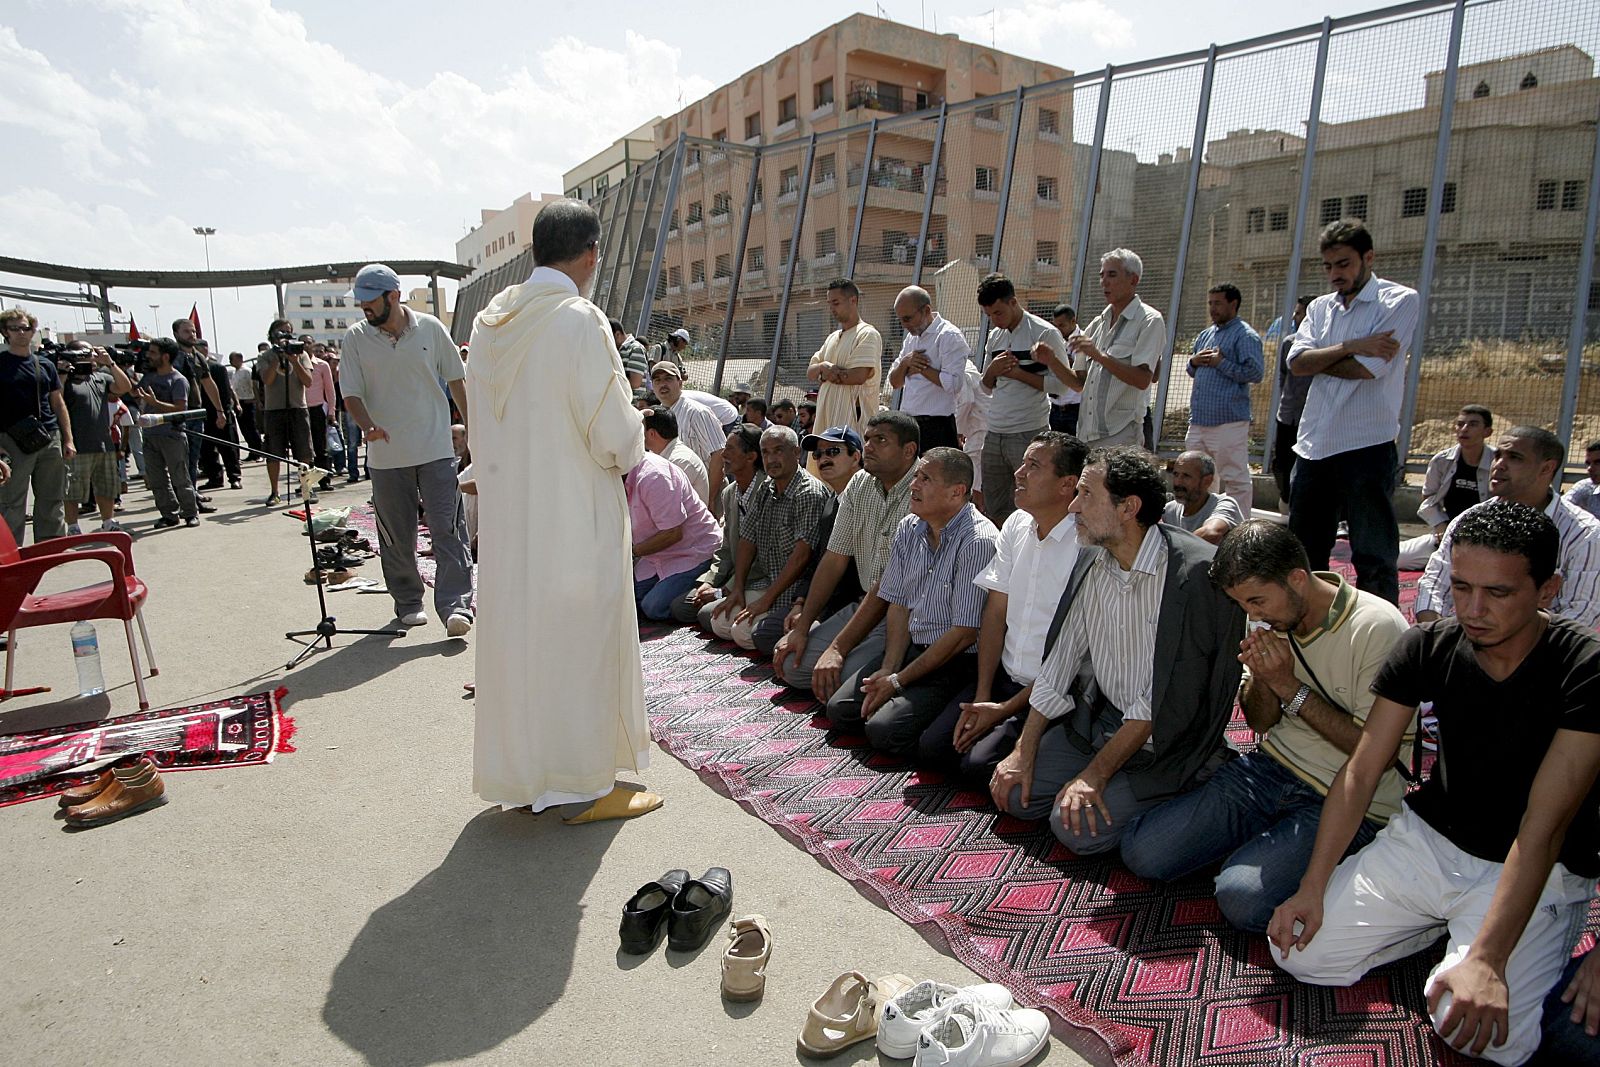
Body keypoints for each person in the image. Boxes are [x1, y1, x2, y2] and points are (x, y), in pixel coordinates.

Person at [1268, 503, 1600, 1067]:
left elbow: (1542, 829)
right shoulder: (1429, 645)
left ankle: (1488, 945)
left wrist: (1489, 960)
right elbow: (1364, 768)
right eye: (1461, 586)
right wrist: (1313, 882)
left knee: (1472, 1032)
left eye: (1497, 593)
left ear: (1548, 590)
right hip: (1430, 841)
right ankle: (1439, 933)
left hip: (1531, 866)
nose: (1472, 609)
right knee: (1299, 952)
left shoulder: (1584, 668)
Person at [466, 197, 658, 822]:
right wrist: (632, 440)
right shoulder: (579, 319)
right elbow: (615, 436)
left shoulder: (488, 323)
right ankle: (579, 785)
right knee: (578, 640)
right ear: (591, 254)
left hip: (508, 520)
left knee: (522, 642)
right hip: (572, 516)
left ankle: (526, 781)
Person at [1120, 520, 1409, 932]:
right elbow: (1259, 721)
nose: (1253, 615)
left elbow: (1377, 756)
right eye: (1244, 605)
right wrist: (1265, 680)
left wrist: (1289, 687)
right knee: (1142, 850)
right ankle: (1254, 850)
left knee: (1241, 899)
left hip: (1344, 796)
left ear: (1296, 578)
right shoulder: (1268, 615)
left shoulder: (1377, 627)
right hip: (1271, 768)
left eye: (1258, 601)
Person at [988, 446, 1245, 854]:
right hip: (1104, 718)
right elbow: (1060, 662)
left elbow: (1162, 700)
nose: (1073, 506)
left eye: (1086, 494)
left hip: (1166, 736)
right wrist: (1024, 749)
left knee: (1075, 830)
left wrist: (1095, 775)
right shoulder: (1092, 558)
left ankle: (1199, 786)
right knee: (1016, 793)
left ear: (1129, 507)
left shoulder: (1193, 574)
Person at [920, 431, 1084, 782]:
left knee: (976, 767)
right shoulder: (1016, 523)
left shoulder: (1083, 546)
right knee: (933, 748)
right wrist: (983, 695)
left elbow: (1071, 655)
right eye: (1022, 462)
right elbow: (995, 613)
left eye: (1033, 466)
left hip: (1049, 693)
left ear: (1067, 484)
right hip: (1002, 679)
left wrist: (1004, 711)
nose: (1018, 472)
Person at [825, 448, 999, 756]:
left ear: (957, 492)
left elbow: (963, 633)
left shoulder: (977, 541)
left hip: (953, 661)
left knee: (885, 732)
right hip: (911, 648)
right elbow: (899, 602)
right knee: (841, 710)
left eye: (926, 478)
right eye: (916, 476)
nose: (914, 485)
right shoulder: (910, 527)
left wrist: (897, 681)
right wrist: (890, 667)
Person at [1286, 219, 1419, 606]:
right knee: (1304, 555)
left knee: (1373, 555)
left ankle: (1380, 646)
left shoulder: (1398, 301)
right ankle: (1307, 637)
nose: (1335, 275)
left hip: (1366, 445)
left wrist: (1323, 356)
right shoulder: (1320, 308)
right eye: (1328, 267)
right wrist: (1351, 344)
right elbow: (1296, 363)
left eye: (1343, 264)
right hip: (1314, 446)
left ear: (1368, 258)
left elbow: (1366, 370)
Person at [340, 264, 474, 634]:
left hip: (435, 449)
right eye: (360, 302)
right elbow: (350, 392)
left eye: (370, 301)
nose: (364, 308)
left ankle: (456, 606)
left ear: (393, 296)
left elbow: (456, 379)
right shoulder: (355, 338)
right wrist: (367, 425)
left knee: (448, 528)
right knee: (396, 535)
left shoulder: (431, 328)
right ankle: (409, 602)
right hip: (386, 457)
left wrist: (473, 427)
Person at [772, 412, 919, 696]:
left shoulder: (922, 488)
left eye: (881, 440)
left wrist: (838, 647)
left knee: (842, 688)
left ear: (908, 450)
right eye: (867, 440)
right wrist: (802, 628)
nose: (870, 447)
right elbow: (834, 559)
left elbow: (889, 585)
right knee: (794, 664)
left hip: (906, 616)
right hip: (866, 603)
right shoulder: (860, 483)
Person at [1417, 426, 1600, 630]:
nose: (1499, 465)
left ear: (1547, 468)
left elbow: (1582, 614)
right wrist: (1440, 639)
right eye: (1497, 456)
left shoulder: (1584, 534)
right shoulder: (1470, 519)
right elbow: (1434, 585)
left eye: (1514, 457)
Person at [705, 425, 828, 649]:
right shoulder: (766, 488)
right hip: (766, 581)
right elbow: (747, 539)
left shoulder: (808, 492)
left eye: (778, 451)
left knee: (743, 633)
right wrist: (738, 589)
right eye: (766, 452)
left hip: (793, 591)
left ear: (796, 453)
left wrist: (766, 600)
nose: (771, 459)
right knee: (718, 621)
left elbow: (801, 557)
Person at [975, 273, 1068, 524]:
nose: (994, 320)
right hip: (995, 431)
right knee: (994, 504)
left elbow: (1062, 386)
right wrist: (993, 370)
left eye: (998, 313)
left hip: (1028, 430)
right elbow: (985, 387)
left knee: (1031, 502)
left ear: (1013, 302)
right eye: (989, 315)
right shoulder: (996, 337)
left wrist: (1018, 373)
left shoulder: (1045, 333)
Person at [1049, 250, 1163, 451]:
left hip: (1122, 434)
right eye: (1102, 275)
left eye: (1112, 275)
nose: (1104, 282)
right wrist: (1051, 360)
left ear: (1133, 280)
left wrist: (1099, 356)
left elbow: (1143, 379)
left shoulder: (1149, 321)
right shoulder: (1097, 324)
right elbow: (1078, 383)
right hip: (1087, 433)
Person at [674, 425, 768, 627]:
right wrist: (709, 582)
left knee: (708, 615)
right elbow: (725, 549)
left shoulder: (767, 492)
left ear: (751, 457)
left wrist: (724, 590)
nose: (723, 454)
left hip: (757, 580)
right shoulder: (730, 493)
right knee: (681, 606)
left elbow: (763, 558)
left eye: (730, 449)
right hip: (731, 579)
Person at [1183, 283, 1264, 517]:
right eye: (1210, 303)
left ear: (1233, 304)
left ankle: (1238, 530)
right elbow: (1192, 369)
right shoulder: (1205, 335)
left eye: (1217, 303)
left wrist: (1222, 363)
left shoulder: (1245, 335)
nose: (1212, 308)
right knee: (1199, 476)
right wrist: (1193, 362)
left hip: (1228, 422)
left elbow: (1255, 373)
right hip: (1199, 421)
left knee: (1234, 478)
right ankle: (1202, 523)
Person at [0, 308, 75, 544]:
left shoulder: (45, 365)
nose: (22, 333)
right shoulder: (1, 364)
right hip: (12, 439)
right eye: (15, 328)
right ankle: (11, 552)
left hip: (48, 436)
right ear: (5, 332)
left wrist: (68, 439)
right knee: (11, 500)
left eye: (26, 328)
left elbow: (58, 402)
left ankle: (50, 546)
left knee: (52, 496)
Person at [1397, 405, 1495, 571]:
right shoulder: (1442, 461)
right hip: (1449, 533)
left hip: (1487, 538)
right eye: (1460, 424)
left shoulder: (1498, 462)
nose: (1464, 429)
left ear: (1487, 432)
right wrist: (1440, 526)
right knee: (1396, 558)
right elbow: (1428, 498)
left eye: (1472, 424)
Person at [627, 449, 721, 621]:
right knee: (628, 599)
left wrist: (631, 552)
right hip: (657, 557)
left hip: (693, 551)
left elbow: (673, 533)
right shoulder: (619, 475)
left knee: (653, 606)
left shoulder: (654, 476)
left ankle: (712, 586)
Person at [57, 342, 131, 534]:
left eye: (89, 353)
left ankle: (108, 522)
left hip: (103, 443)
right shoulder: (65, 379)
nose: (88, 357)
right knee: (72, 490)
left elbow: (124, 386)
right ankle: (73, 527)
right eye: (82, 354)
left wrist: (110, 363)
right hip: (77, 445)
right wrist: (62, 374)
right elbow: (56, 401)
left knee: (106, 487)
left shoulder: (100, 378)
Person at [887, 285, 970, 452]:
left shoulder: (948, 336)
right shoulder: (911, 339)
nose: (904, 325)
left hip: (937, 426)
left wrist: (922, 368)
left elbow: (954, 384)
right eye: (901, 320)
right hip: (909, 424)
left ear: (926, 310)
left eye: (908, 318)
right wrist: (905, 364)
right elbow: (894, 382)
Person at [805, 279, 882, 443]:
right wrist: (824, 367)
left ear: (853, 300)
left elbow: (858, 376)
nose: (832, 308)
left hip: (853, 425)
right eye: (829, 303)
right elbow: (811, 372)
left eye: (836, 303)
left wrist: (824, 374)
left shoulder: (867, 334)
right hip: (827, 422)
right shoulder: (832, 338)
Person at [134, 337, 200, 529]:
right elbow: (133, 392)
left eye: (153, 352)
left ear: (165, 356)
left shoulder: (178, 380)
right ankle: (168, 514)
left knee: (180, 477)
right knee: (157, 480)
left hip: (172, 435)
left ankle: (190, 513)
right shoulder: (149, 377)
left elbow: (180, 409)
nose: (149, 356)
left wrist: (155, 404)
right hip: (149, 435)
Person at [649, 361, 725, 512]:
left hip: (704, 497)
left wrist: (709, 499)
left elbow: (719, 454)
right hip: (677, 499)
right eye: (657, 380)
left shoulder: (697, 412)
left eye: (668, 379)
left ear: (680, 382)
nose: (662, 384)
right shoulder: (657, 415)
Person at [256, 319, 316, 507]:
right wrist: (277, 358)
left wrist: (294, 361)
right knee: (274, 451)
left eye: (288, 332)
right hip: (274, 410)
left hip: (298, 408)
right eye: (281, 332)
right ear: (272, 334)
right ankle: (274, 492)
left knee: (304, 451)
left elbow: (308, 381)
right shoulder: (266, 356)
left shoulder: (301, 354)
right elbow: (267, 379)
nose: (285, 336)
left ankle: (307, 489)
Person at [1271, 296, 1312, 516]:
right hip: (1287, 415)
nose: (1297, 318)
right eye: (1296, 313)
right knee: (1282, 463)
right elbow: (1282, 377)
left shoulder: (1323, 345)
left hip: (1311, 418)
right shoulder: (1289, 342)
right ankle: (1286, 500)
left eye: (1301, 313)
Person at [1163, 450, 1244, 545]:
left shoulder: (1225, 504)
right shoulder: (1169, 511)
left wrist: (1174, 551)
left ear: (1207, 481)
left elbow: (1211, 533)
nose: (1178, 482)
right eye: (1176, 474)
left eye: (1186, 476)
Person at [642, 405, 710, 507]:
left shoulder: (680, 461)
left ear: (651, 434)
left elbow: (665, 505)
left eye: (640, 430)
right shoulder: (658, 453)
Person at [303, 341, 337, 492]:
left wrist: (331, 411)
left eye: (308, 343)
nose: (306, 346)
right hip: (300, 409)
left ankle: (324, 480)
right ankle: (306, 483)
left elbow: (330, 390)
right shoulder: (294, 363)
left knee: (320, 446)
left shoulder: (322, 365)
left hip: (317, 409)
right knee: (303, 449)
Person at [1047, 304, 1082, 436]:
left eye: (1061, 326)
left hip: (1075, 409)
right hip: (1055, 408)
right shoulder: (1052, 340)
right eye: (1055, 326)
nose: (1058, 330)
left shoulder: (1083, 340)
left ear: (1073, 321)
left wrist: (1063, 362)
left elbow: (1081, 373)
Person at [229, 351, 264, 461]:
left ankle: (259, 452)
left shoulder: (247, 371)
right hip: (240, 403)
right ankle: (252, 452)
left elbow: (255, 386)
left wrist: (255, 399)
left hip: (249, 402)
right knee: (245, 430)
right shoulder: (235, 373)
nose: (230, 362)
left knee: (252, 428)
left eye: (232, 359)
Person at [1564, 439, 1600, 522]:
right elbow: (1561, 507)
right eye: (1588, 463)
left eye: (1597, 463)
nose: (1590, 468)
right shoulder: (1586, 487)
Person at [611, 318, 648, 390]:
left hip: (632, 400)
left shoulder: (635, 349)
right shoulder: (618, 350)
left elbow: (635, 383)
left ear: (617, 334)